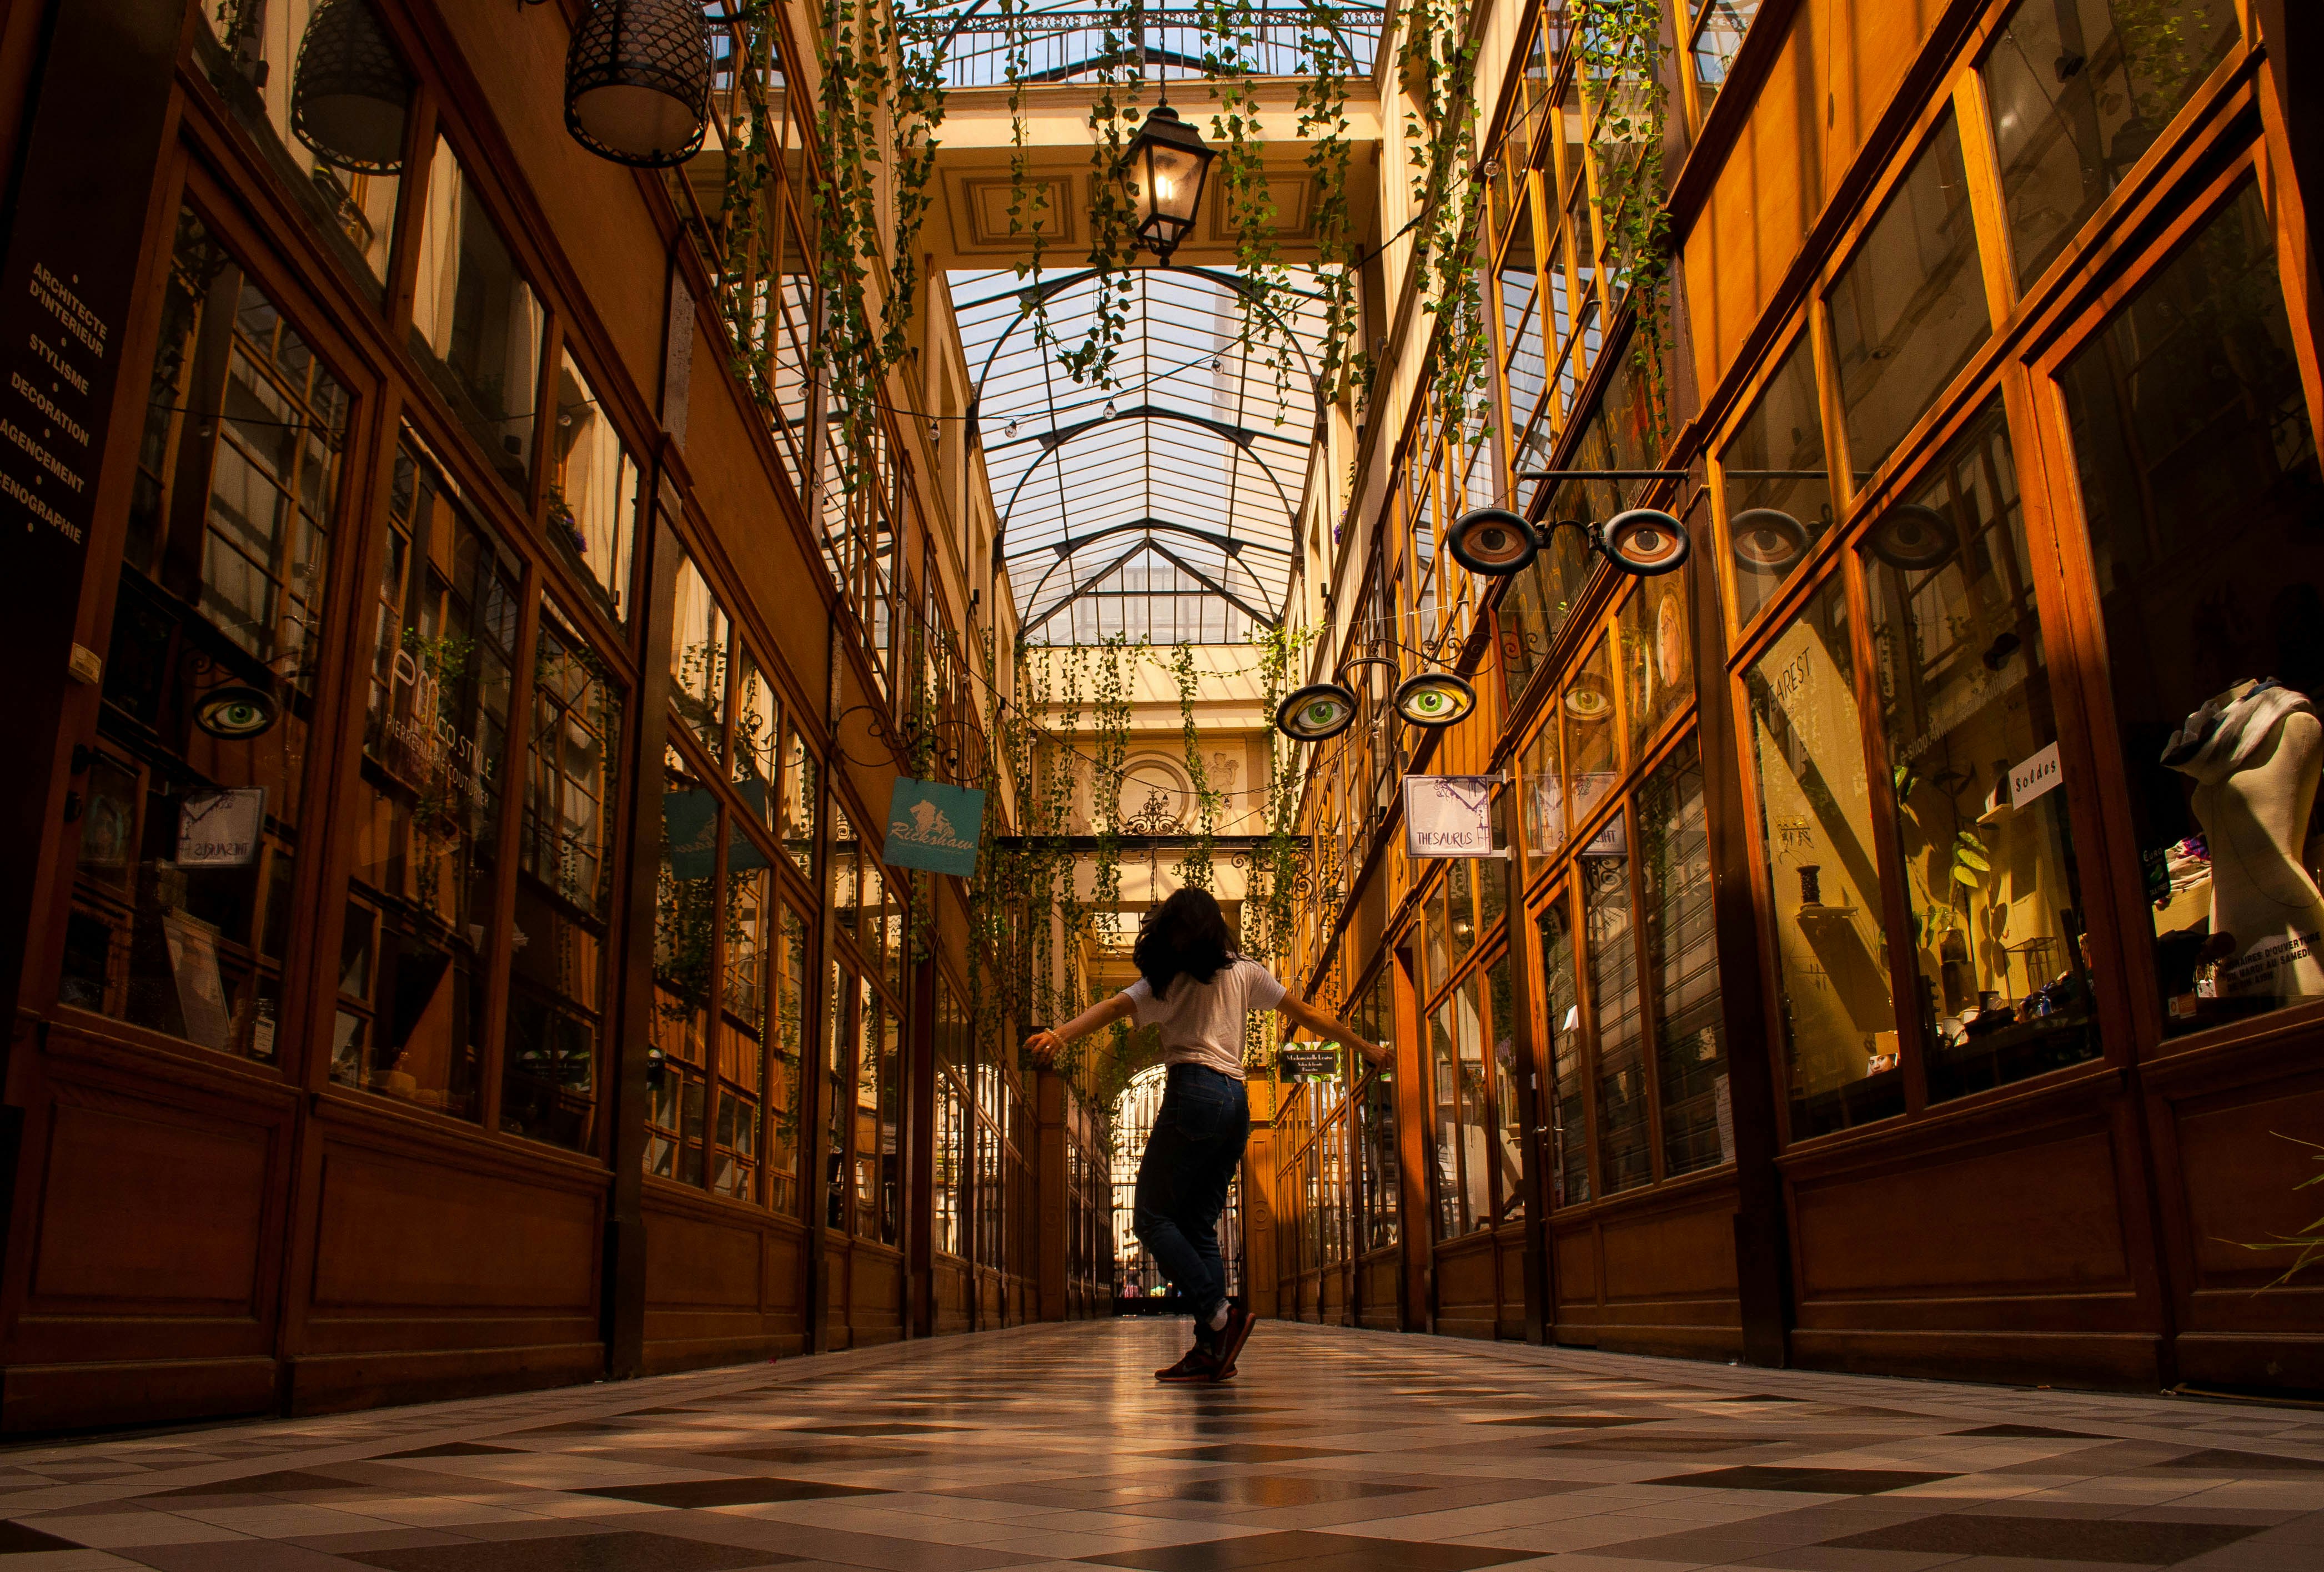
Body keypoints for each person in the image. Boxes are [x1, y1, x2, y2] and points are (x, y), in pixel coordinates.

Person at [1026, 888, 1388, 1384]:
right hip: (1235, 1102)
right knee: (1198, 1228)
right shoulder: (1245, 971)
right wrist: (1364, 1046)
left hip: (1192, 1092)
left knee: (1152, 1218)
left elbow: (1111, 1008)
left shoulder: (1165, 979)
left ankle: (1220, 1315)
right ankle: (1210, 1350)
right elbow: (1305, 1014)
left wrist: (1059, 1034)